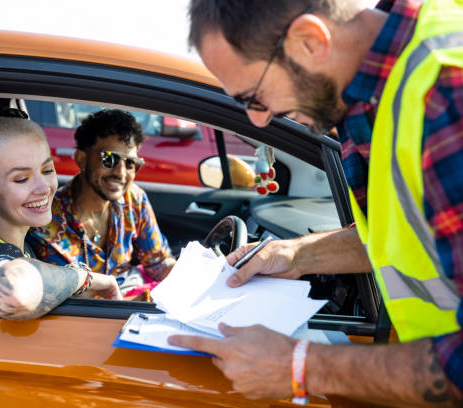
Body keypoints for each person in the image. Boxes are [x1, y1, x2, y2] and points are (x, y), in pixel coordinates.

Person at [168, 0, 463, 406]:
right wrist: (297, 254)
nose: (258, 121)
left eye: (254, 97)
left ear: (310, 41)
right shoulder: (373, 90)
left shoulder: (446, 94)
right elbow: (410, 232)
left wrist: (302, 366)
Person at [0, 108, 122, 320]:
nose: (43, 188)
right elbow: (14, 295)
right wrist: (85, 278)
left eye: (47, 170)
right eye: (21, 179)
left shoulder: (21, 236)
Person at [29, 109, 176, 297]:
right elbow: (43, 292)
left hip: (127, 296)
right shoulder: (44, 218)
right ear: (82, 159)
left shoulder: (135, 200)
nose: (121, 173)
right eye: (110, 159)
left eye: (131, 163)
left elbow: (159, 264)